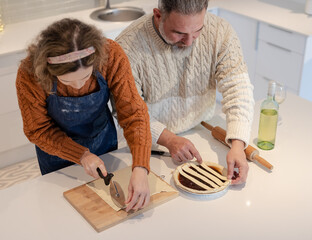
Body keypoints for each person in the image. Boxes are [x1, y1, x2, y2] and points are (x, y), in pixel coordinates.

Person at [16, 18, 152, 211]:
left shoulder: (111, 55)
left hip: (103, 141)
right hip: (57, 155)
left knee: (107, 209)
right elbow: (37, 129)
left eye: (86, 77)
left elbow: (134, 114)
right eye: (66, 81)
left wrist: (140, 167)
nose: (79, 86)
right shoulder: (30, 73)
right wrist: (81, 155)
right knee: (64, 211)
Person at [116, 0, 254, 185]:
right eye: (179, 33)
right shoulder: (126, 47)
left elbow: (238, 89)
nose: (189, 42)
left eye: (198, 30)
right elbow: (127, 112)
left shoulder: (221, 32)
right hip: (148, 144)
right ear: (158, 15)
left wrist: (238, 145)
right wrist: (169, 139)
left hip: (203, 131)